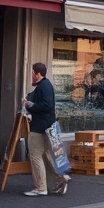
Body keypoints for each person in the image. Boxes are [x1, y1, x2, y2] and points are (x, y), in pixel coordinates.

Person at [22, 62, 69, 197]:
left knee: (35, 155)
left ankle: (41, 187)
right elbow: (41, 100)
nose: (31, 75)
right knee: (46, 155)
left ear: (37, 74)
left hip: (39, 127)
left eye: (32, 73)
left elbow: (46, 106)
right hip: (47, 127)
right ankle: (61, 179)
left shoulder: (44, 86)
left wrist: (29, 105)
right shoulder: (44, 86)